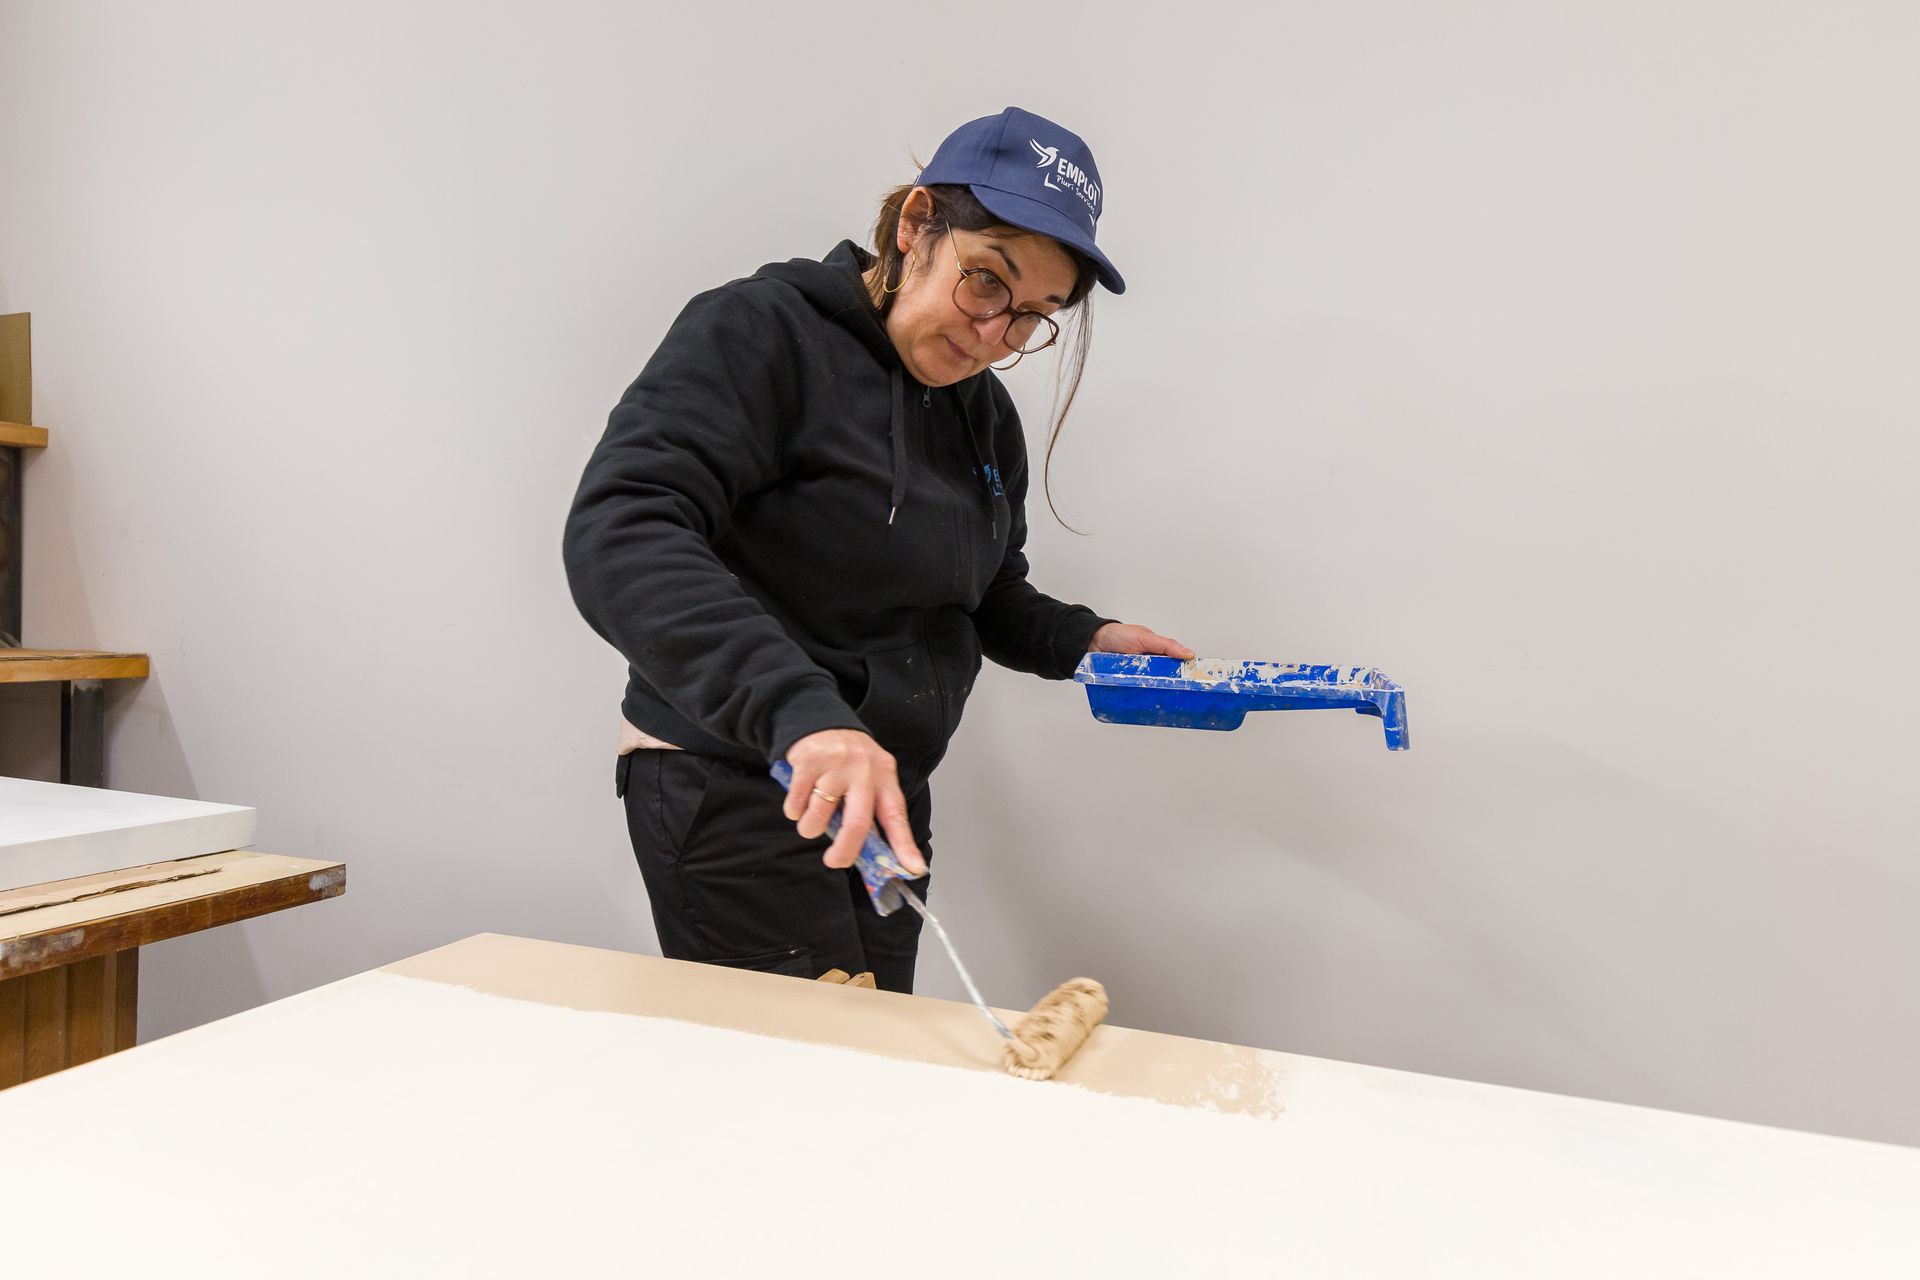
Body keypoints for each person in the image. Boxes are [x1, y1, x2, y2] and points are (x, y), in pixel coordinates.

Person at [564, 107, 1192, 993]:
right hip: (740, 778)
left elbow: (983, 593)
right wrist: (802, 714)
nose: (991, 337)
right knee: (798, 1093)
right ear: (914, 226)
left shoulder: (980, 414)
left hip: (881, 796)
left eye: (1030, 319)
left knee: (873, 1075)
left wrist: (1084, 641)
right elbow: (623, 527)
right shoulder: (759, 334)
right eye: (985, 282)